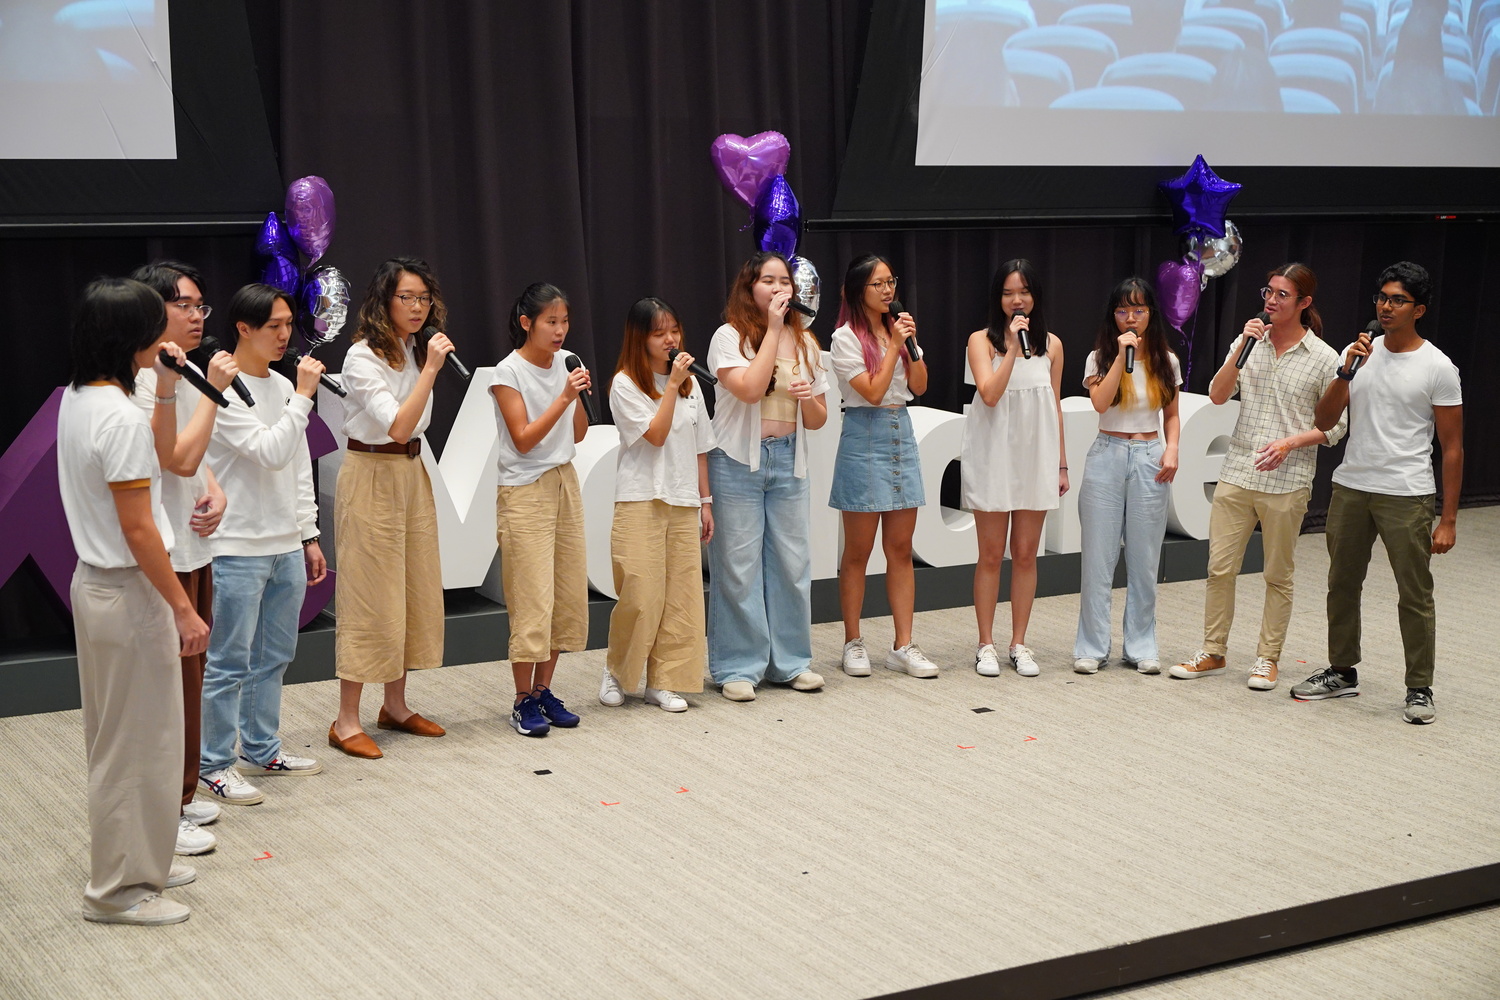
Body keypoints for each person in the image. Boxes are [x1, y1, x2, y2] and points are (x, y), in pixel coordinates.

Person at [60, 277, 210, 925]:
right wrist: (181, 606)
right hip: (128, 590)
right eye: (157, 322)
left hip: (104, 586)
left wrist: (168, 389)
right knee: (133, 742)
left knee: (139, 736)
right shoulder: (117, 415)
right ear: (133, 337)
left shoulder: (82, 398)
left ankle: (142, 859)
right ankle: (116, 891)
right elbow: (140, 528)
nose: (169, 331)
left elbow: (154, 459)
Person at [1294, 261, 1463, 724]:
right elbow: (1324, 420)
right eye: (1382, 298)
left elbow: (1452, 447)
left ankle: (1419, 688)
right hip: (1352, 486)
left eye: (1398, 300)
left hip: (1406, 492)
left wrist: (1448, 519)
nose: (1386, 307)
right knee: (1342, 584)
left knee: (1414, 592)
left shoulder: (1438, 367)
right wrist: (1346, 372)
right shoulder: (1357, 354)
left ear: (1419, 309)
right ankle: (1342, 671)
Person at [1170, 263, 1345, 690]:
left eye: (1282, 294)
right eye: (1268, 291)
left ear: (1304, 303)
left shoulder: (1325, 358)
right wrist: (1241, 348)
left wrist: (1289, 443)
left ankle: (1267, 658)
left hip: (1288, 480)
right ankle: (1213, 651)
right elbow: (1217, 395)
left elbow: (1336, 428)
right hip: (1237, 472)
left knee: (1277, 575)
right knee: (1219, 568)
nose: (1271, 300)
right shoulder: (1249, 341)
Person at [198, 284, 327, 805]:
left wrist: (308, 534)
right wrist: (304, 398)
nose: (284, 335)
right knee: (229, 661)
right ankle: (213, 763)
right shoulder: (221, 390)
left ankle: (261, 747)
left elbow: (297, 467)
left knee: (274, 655)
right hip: (236, 547)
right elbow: (269, 451)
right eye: (273, 325)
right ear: (243, 328)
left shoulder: (284, 385)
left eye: (289, 324)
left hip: (285, 543)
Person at [128, 261, 238, 854]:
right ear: (153, 309)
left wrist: (216, 491)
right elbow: (176, 456)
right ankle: (163, 808)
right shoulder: (146, 377)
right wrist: (215, 392)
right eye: (185, 305)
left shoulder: (184, 367)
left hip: (195, 545)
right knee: (166, 688)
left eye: (201, 306)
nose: (197, 317)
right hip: (164, 550)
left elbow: (200, 461)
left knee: (190, 680)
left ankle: (184, 793)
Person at [327, 258, 455, 758]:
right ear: (384, 301)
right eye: (407, 297)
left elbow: (413, 430)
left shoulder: (414, 349)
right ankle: (345, 720)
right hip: (372, 472)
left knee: (411, 587)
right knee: (369, 594)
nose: (418, 307)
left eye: (424, 298)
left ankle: (395, 706)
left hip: (411, 473)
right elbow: (398, 425)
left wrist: (425, 364)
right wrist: (431, 370)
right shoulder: (361, 357)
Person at [706, 251, 830, 701]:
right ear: (749, 288)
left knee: (792, 565)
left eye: (785, 282)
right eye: (768, 281)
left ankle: (791, 662)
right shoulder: (729, 337)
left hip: (789, 460)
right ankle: (738, 666)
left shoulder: (806, 342)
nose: (779, 289)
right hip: (737, 461)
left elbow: (818, 418)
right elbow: (750, 389)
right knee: (738, 566)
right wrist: (774, 331)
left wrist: (806, 397)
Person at [601, 297, 715, 712]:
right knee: (641, 594)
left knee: (682, 596)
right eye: (659, 333)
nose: (670, 340)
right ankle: (617, 671)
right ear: (640, 338)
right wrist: (669, 386)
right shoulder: (625, 384)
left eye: (674, 330)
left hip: (683, 500)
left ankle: (664, 681)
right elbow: (656, 435)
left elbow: (700, 448)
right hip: (640, 498)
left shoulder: (690, 385)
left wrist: (706, 502)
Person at [489, 282, 590, 737]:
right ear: (527, 322)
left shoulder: (567, 364)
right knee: (531, 596)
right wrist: (564, 396)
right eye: (551, 321)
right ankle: (520, 700)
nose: (560, 330)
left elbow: (580, 433)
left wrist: (576, 395)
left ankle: (543, 690)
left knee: (564, 593)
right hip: (525, 490)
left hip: (564, 481)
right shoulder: (507, 372)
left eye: (564, 321)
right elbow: (524, 439)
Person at [828, 254, 934, 678]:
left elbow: (920, 386)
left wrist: (909, 345)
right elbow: (871, 392)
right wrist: (892, 346)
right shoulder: (844, 338)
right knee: (858, 550)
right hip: (863, 434)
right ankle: (853, 641)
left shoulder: (898, 330)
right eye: (879, 284)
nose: (888, 290)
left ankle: (903, 644)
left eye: (891, 281)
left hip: (900, 432)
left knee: (901, 548)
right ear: (858, 290)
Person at [961, 259, 1068, 677]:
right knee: (991, 554)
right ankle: (985, 644)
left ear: (1035, 296)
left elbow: (1054, 405)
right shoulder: (981, 341)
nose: (1016, 300)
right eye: (1008, 293)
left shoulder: (1052, 345)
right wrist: (1009, 348)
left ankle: (1019, 643)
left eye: (1023, 292)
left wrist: (1061, 464)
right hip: (993, 454)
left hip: (1035, 455)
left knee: (1025, 553)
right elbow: (989, 394)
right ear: (998, 298)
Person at [1073, 277, 1181, 675]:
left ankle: (1141, 646)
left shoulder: (1166, 361)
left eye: (1138, 310)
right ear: (1112, 316)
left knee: (1144, 559)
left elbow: (1171, 415)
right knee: (1098, 559)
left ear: (1151, 314)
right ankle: (1092, 646)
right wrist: (1121, 355)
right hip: (1108, 453)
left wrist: (1172, 448)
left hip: (1150, 455)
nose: (1131, 318)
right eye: (1122, 311)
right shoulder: (1099, 358)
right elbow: (1101, 404)